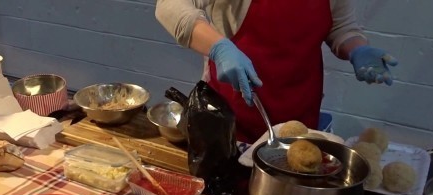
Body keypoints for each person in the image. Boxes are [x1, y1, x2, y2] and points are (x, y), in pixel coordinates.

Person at [155, 0, 398, 143]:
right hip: (230, 121)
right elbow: (169, 5)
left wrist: (357, 49)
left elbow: (341, 26)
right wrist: (218, 47)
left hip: (300, 120)